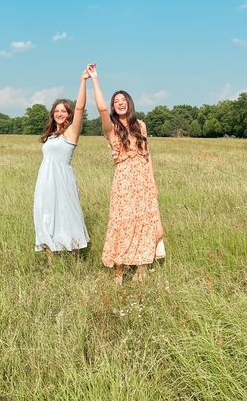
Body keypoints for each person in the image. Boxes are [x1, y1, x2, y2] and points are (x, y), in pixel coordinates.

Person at [87, 63, 164, 283]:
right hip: (123, 181)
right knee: (121, 222)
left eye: (123, 101)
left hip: (143, 180)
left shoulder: (141, 125)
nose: (119, 104)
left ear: (129, 103)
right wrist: (95, 79)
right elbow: (101, 108)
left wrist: (153, 183)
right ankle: (118, 272)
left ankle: (141, 269)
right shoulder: (110, 127)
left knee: (144, 222)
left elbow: (147, 155)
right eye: (115, 102)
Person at [33, 69, 90, 259]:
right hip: (45, 181)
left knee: (66, 216)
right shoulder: (50, 135)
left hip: (62, 180)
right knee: (45, 216)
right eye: (56, 111)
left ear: (68, 114)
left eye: (63, 111)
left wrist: (83, 80)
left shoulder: (71, 132)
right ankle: (51, 259)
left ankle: (74, 256)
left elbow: (80, 107)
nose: (59, 113)